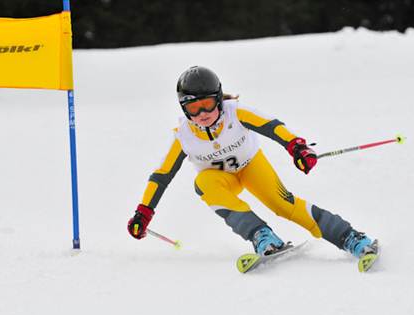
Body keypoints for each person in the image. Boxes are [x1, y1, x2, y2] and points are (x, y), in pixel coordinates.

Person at [127, 66, 378, 268]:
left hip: (251, 167)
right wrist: (143, 212)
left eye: (207, 104)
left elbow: (272, 126)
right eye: (194, 107)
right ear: (184, 108)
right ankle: (261, 236)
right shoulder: (183, 135)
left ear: (218, 100)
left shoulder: (236, 113)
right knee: (202, 184)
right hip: (220, 180)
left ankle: (350, 237)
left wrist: (297, 147)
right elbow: (161, 176)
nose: (202, 113)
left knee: (284, 205)